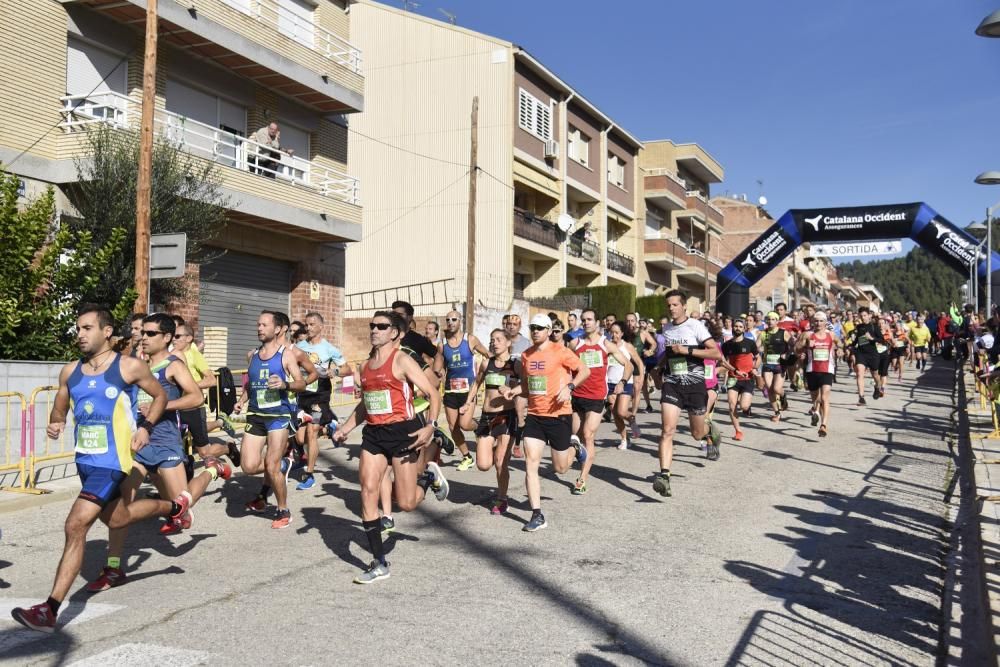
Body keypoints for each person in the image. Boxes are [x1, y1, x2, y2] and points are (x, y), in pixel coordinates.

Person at [11, 306, 174, 632]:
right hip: (85, 462)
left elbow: (159, 397)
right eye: (78, 328)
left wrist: (146, 428)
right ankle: (175, 505)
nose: (80, 334)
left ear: (107, 331)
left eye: (87, 328)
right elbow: (59, 411)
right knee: (121, 518)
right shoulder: (70, 371)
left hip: (113, 463)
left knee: (75, 524)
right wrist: (55, 425)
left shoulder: (129, 366)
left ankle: (49, 609)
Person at [86, 314, 232, 592]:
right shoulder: (136, 365)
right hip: (138, 445)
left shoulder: (173, 366)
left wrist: (162, 406)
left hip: (166, 442)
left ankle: (214, 469)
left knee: (181, 509)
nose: (145, 337)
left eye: (151, 333)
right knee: (121, 506)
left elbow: (196, 397)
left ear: (166, 337)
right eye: (144, 332)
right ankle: (114, 568)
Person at [332, 311, 448, 583]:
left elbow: (432, 393)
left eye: (381, 326)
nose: (374, 330)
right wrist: (345, 428)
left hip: (402, 432)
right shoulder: (365, 366)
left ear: (394, 333)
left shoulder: (403, 360)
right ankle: (379, 561)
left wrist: (431, 424)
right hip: (374, 434)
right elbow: (365, 404)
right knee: (368, 490)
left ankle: (428, 477)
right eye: (372, 325)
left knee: (406, 503)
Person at [500, 314, 589, 531]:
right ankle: (537, 514)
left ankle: (573, 446)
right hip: (535, 416)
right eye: (533, 328)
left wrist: (569, 388)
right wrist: (514, 390)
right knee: (531, 463)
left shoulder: (561, 352)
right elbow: (528, 384)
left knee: (560, 469)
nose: (536, 331)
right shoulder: (527, 355)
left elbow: (584, 371)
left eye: (540, 328)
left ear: (549, 330)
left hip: (559, 415)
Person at [233, 311, 306, 529]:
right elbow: (250, 383)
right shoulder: (252, 355)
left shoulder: (286, 355)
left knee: (270, 466)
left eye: (264, 325)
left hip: (278, 416)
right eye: (258, 325)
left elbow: (301, 383)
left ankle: (283, 510)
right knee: (247, 466)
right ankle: (285, 463)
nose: (259, 328)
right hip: (256, 415)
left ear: (277, 330)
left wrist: (285, 385)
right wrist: (241, 400)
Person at [655, 290, 723, 497]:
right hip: (673, 384)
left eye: (675, 304)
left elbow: (715, 353)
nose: (671, 308)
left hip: (695, 386)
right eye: (669, 305)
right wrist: (658, 368)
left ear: (684, 306)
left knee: (696, 434)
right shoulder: (666, 329)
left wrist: (689, 351)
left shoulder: (695, 326)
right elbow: (669, 353)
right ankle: (664, 476)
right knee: (667, 430)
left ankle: (709, 431)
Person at [569, 309, 631, 494]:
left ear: (597, 323)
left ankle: (582, 479)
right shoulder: (574, 344)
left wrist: (622, 382)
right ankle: (581, 454)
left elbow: (628, 365)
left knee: (588, 435)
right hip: (577, 395)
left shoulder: (606, 344)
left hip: (597, 396)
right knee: (576, 437)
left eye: (589, 319)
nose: (586, 322)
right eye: (583, 320)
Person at [464, 329, 521, 514]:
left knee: (500, 463)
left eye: (498, 339)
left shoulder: (515, 365)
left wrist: (513, 390)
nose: (494, 343)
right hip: (487, 417)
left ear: (508, 343)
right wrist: (468, 402)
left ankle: (502, 498)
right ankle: (497, 450)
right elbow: (476, 383)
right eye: (492, 340)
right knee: (483, 464)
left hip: (506, 416)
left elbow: (526, 385)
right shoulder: (486, 362)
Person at [295, 312, 351, 490]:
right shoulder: (299, 346)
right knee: (300, 437)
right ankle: (329, 426)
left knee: (311, 433)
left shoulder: (329, 349)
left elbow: (347, 369)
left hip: (320, 394)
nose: (308, 328)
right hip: (303, 393)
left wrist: (333, 372)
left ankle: (309, 474)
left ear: (321, 327)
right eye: (306, 325)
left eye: (312, 324)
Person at [173, 323, 240, 464]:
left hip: (193, 408)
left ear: (189, 338)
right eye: (173, 336)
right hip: (175, 407)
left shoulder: (194, 355)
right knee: (172, 445)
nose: (174, 339)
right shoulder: (171, 355)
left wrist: (188, 386)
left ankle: (228, 448)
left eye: (177, 336)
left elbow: (210, 380)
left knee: (204, 452)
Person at [440, 310, 490, 472]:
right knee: (453, 427)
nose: (450, 322)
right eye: (448, 320)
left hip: (468, 391)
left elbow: (487, 354)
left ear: (460, 321)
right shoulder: (442, 344)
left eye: (454, 319)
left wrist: (496, 366)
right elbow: (439, 367)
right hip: (450, 391)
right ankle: (467, 457)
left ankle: (481, 426)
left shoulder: (470, 339)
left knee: (465, 424)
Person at [797, 311, 838, 437]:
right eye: (816, 321)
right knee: (816, 399)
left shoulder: (830, 334)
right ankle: (816, 411)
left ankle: (823, 425)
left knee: (825, 397)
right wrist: (805, 345)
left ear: (825, 322)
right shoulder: (807, 334)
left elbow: (840, 343)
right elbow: (796, 348)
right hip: (812, 370)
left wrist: (840, 349)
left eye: (821, 321)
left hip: (827, 369)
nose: (818, 323)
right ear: (812, 322)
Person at [606, 321, 643, 450]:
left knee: (621, 411)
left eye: (617, 333)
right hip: (610, 382)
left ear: (622, 333)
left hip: (625, 381)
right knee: (615, 413)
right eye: (612, 332)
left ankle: (631, 419)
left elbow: (638, 362)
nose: (614, 335)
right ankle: (624, 439)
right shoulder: (607, 346)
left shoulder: (627, 346)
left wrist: (641, 379)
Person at [720, 318, 758, 441]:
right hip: (733, 378)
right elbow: (723, 362)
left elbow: (758, 358)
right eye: (736, 326)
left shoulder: (750, 343)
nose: (737, 328)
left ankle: (746, 406)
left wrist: (755, 368)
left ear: (744, 329)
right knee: (731, 406)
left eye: (740, 326)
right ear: (733, 327)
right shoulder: (727, 345)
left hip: (747, 378)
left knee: (744, 406)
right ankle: (738, 431)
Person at [759, 312, 793, 422]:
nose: (770, 321)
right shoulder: (763, 333)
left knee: (777, 389)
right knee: (770, 389)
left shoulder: (783, 333)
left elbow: (793, 345)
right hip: (767, 364)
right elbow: (756, 346)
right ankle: (777, 413)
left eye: (773, 319)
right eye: (768, 319)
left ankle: (783, 397)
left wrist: (787, 354)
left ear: (777, 321)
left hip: (780, 364)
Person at [848, 307, 882, 405]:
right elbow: (857, 340)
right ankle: (861, 397)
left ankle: (877, 387)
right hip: (861, 353)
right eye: (861, 316)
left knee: (875, 374)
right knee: (859, 373)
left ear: (869, 316)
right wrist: (851, 346)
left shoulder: (874, 326)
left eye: (865, 315)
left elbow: (881, 340)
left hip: (872, 354)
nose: (863, 318)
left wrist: (871, 338)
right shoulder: (859, 327)